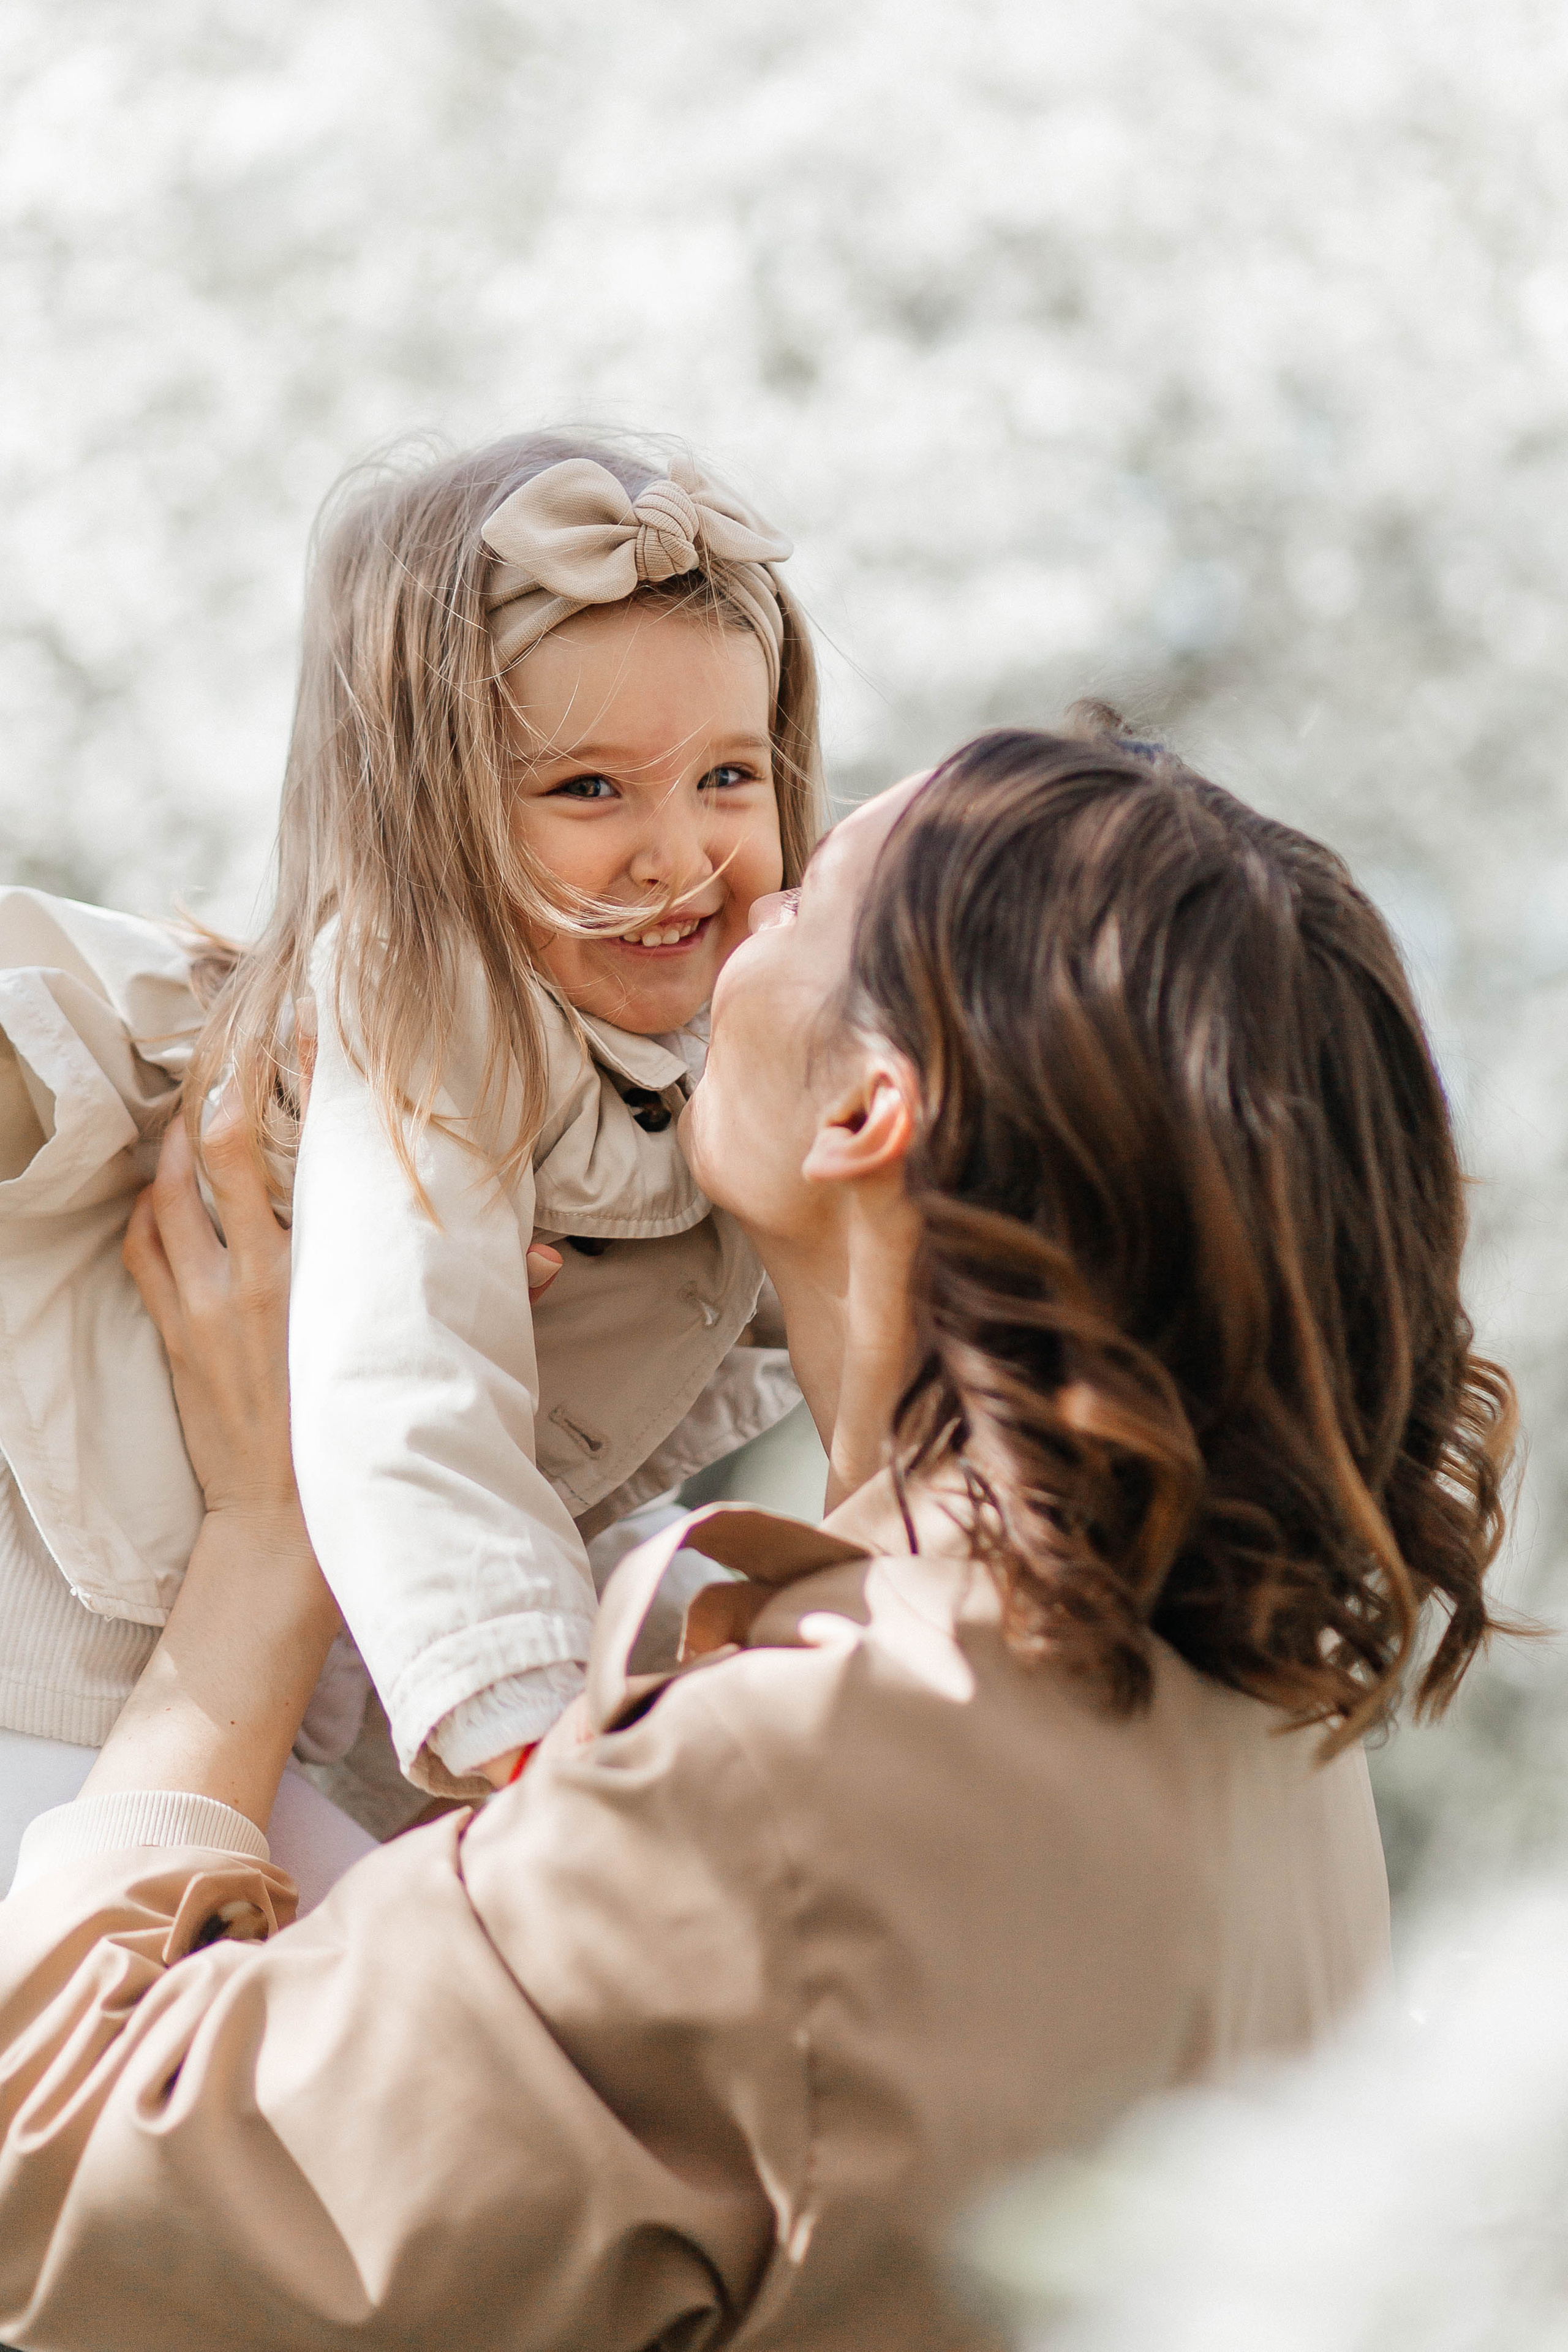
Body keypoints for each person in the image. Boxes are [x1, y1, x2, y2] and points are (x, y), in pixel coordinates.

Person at [0, 722, 1515, 2350]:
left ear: (871, 1107)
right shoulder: (1281, 1748)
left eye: (809, 906)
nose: (739, 896)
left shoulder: (791, 1778)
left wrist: (265, 1543)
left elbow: (65, 2196)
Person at [0, 431, 818, 1884]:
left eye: (728, 775)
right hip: (82, 1674)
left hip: (238, 1671)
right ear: (427, 821)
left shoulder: (676, 1076)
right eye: (587, 791)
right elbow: (408, 1357)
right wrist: (518, 1700)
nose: (672, 852)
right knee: (298, 2016)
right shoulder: (423, 1005)